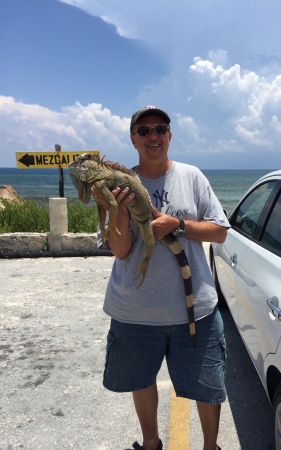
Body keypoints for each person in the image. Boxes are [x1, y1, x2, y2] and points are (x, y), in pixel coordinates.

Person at [93, 106, 230, 450]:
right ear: (133, 140)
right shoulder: (117, 184)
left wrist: (178, 225)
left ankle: (210, 447)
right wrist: (117, 209)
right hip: (135, 311)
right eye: (144, 131)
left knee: (208, 385)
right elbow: (120, 251)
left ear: (169, 135)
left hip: (195, 309)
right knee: (142, 381)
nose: (152, 136)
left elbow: (219, 232)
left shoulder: (192, 177)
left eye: (160, 129)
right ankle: (151, 443)